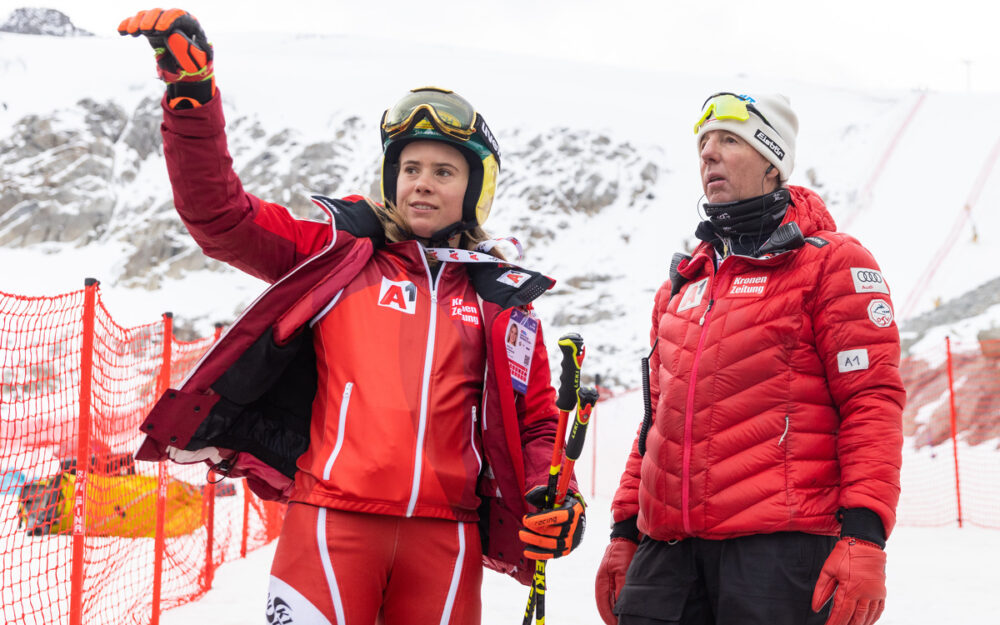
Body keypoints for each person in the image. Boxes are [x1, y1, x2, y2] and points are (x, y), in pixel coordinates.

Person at [119, 9, 586, 624]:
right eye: (409, 169)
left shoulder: (500, 301)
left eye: (444, 172)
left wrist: (556, 496)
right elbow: (220, 217)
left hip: (446, 542)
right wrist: (191, 94)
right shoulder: (339, 255)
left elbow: (534, 425)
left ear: (476, 189)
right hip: (329, 526)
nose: (422, 184)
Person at [595, 92, 905, 625]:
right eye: (704, 142)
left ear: (771, 161)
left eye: (729, 140)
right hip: (666, 554)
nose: (708, 153)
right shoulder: (682, 284)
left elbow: (871, 401)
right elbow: (654, 423)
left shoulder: (832, 264)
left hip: (779, 553)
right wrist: (625, 530)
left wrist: (865, 536)